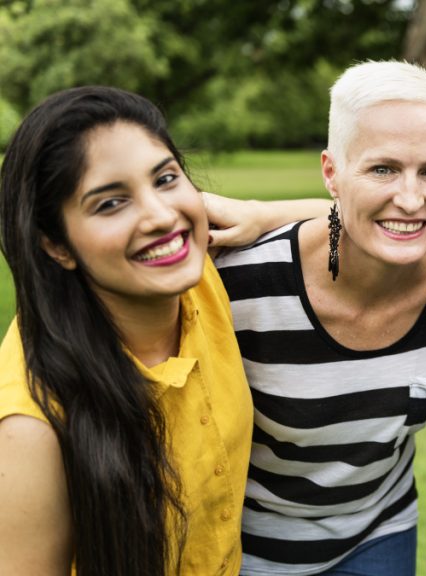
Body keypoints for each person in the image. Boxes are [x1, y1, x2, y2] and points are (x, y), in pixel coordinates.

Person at [213, 61, 426, 575]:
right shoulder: (240, 287)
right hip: (249, 547)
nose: (411, 198)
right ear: (331, 172)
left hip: (380, 533)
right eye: (382, 168)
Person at [0, 86, 253, 575]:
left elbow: (363, 220)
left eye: (165, 178)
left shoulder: (198, 274)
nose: (161, 216)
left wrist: (264, 214)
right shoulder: (28, 429)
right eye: (111, 203)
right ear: (56, 246)